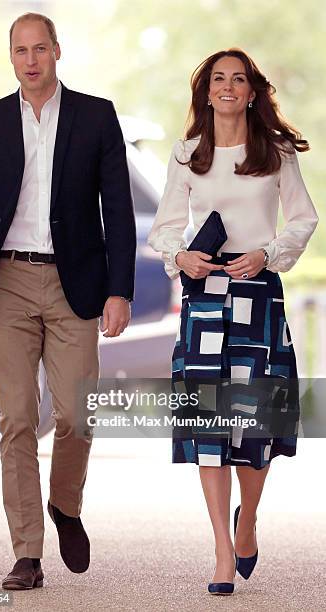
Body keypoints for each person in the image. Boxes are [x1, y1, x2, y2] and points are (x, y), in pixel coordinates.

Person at [0, 12, 136, 590]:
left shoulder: (96, 115)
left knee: (78, 413)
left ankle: (65, 504)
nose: (30, 60)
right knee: (16, 420)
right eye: (19, 51)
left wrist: (119, 289)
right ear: (11, 58)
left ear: (57, 51)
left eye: (39, 49)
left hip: (75, 280)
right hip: (6, 280)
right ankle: (27, 552)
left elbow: (119, 210)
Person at [147, 48, 318, 596]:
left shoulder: (277, 151)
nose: (226, 87)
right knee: (208, 428)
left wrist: (268, 254)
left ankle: (248, 523)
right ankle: (223, 549)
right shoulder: (187, 154)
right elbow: (164, 229)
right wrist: (181, 258)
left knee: (256, 425)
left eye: (237, 79)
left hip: (258, 296)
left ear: (251, 91)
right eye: (217, 79)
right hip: (205, 301)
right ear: (206, 92)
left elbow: (305, 218)